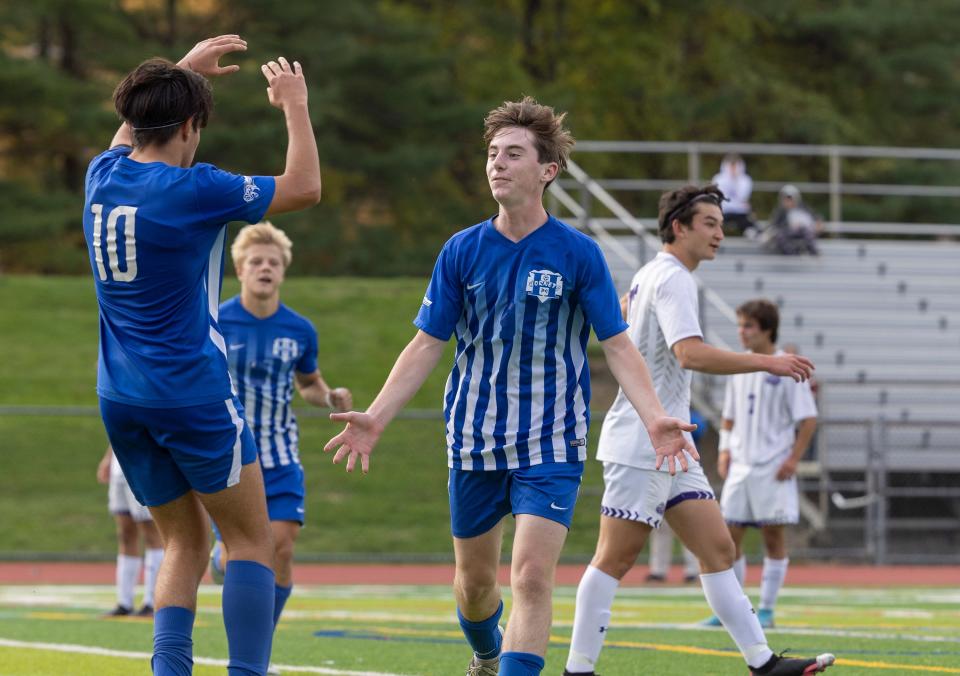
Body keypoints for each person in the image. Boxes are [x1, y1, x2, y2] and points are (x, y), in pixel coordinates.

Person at [323, 96, 698, 676]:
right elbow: (427, 343)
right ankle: (486, 651)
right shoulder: (462, 250)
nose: (497, 163)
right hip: (473, 438)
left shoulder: (579, 254)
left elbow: (618, 345)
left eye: (513, 154)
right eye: (493, 153)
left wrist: (655, 419)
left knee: (529, 575)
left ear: (547, 170)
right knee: (475, 587)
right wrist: (375, 417)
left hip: (551, 442)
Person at [82, 34, 321, 675]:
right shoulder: (194, 189)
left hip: (119, 396)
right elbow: (304, 187)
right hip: (189, 390)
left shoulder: (100, 178)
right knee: (250, 541)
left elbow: (129, 132)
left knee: (182, 541)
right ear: (189, 126)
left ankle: (170, 670)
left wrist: (179, 74)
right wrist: (294, 105)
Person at [564, 185, 835, 676]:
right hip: (646, 440)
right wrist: (765, 361)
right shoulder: (673, 279)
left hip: (674, 443)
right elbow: (688, 352)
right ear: (679, 227)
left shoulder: (651, 274)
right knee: (614, 558)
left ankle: (763, 662)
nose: (719, 232)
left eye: (720, 222)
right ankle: (577, 670)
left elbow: (627, 324)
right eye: (709, 222)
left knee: (718, 549)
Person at [209, 222, 353, 643]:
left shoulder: (300, 329)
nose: (264, 268)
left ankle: (257, 649)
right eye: (256, 261)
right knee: (240, 556)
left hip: (280, 455)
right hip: (230, 457)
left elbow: (308, 383)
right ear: (239, 269)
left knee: (281, 550)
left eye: (273, 262)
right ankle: (225, 573)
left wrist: (330, 397)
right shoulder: (216, 320)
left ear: (284, 271)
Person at [701, 299, 818, 629]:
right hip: (741, 467)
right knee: (728, 539)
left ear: (767, 329)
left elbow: (808, 419)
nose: (742, 332)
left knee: (773, 539)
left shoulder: (786, 366)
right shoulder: (739, 367)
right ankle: (735, 609)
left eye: (748, 326)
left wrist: (793, 458)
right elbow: (728, 418)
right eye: (740, 325)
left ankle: (766, 610)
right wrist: (725, 451)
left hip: (773, 467)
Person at [97, 445, 164, 617]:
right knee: (125, 533)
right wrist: (109, 457)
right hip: (119, 467)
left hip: (142, 464)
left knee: (151, 533)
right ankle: (124, 602)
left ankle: (153, 601)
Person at [763, 185, 821, 255]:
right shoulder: (780, 211)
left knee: (806, 232)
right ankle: (793, 254)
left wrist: (817, 224)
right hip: (785, 233)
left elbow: (815, 217)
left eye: (790, 198)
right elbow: (774, 224)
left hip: (801, 232)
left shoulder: (803, 207)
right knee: (780, 236)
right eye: (786, 198)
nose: (789, 201)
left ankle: (813, 252)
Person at [711, 154, 756, 236]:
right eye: (731, 165)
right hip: (724, 210)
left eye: (735, 165)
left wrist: (735, 180)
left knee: (749, 223)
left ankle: (750, 233)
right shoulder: (718, 179)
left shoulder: (745, 180)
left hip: (739, 211)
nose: (733, 168)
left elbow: (742, 196)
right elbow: (719, 196)